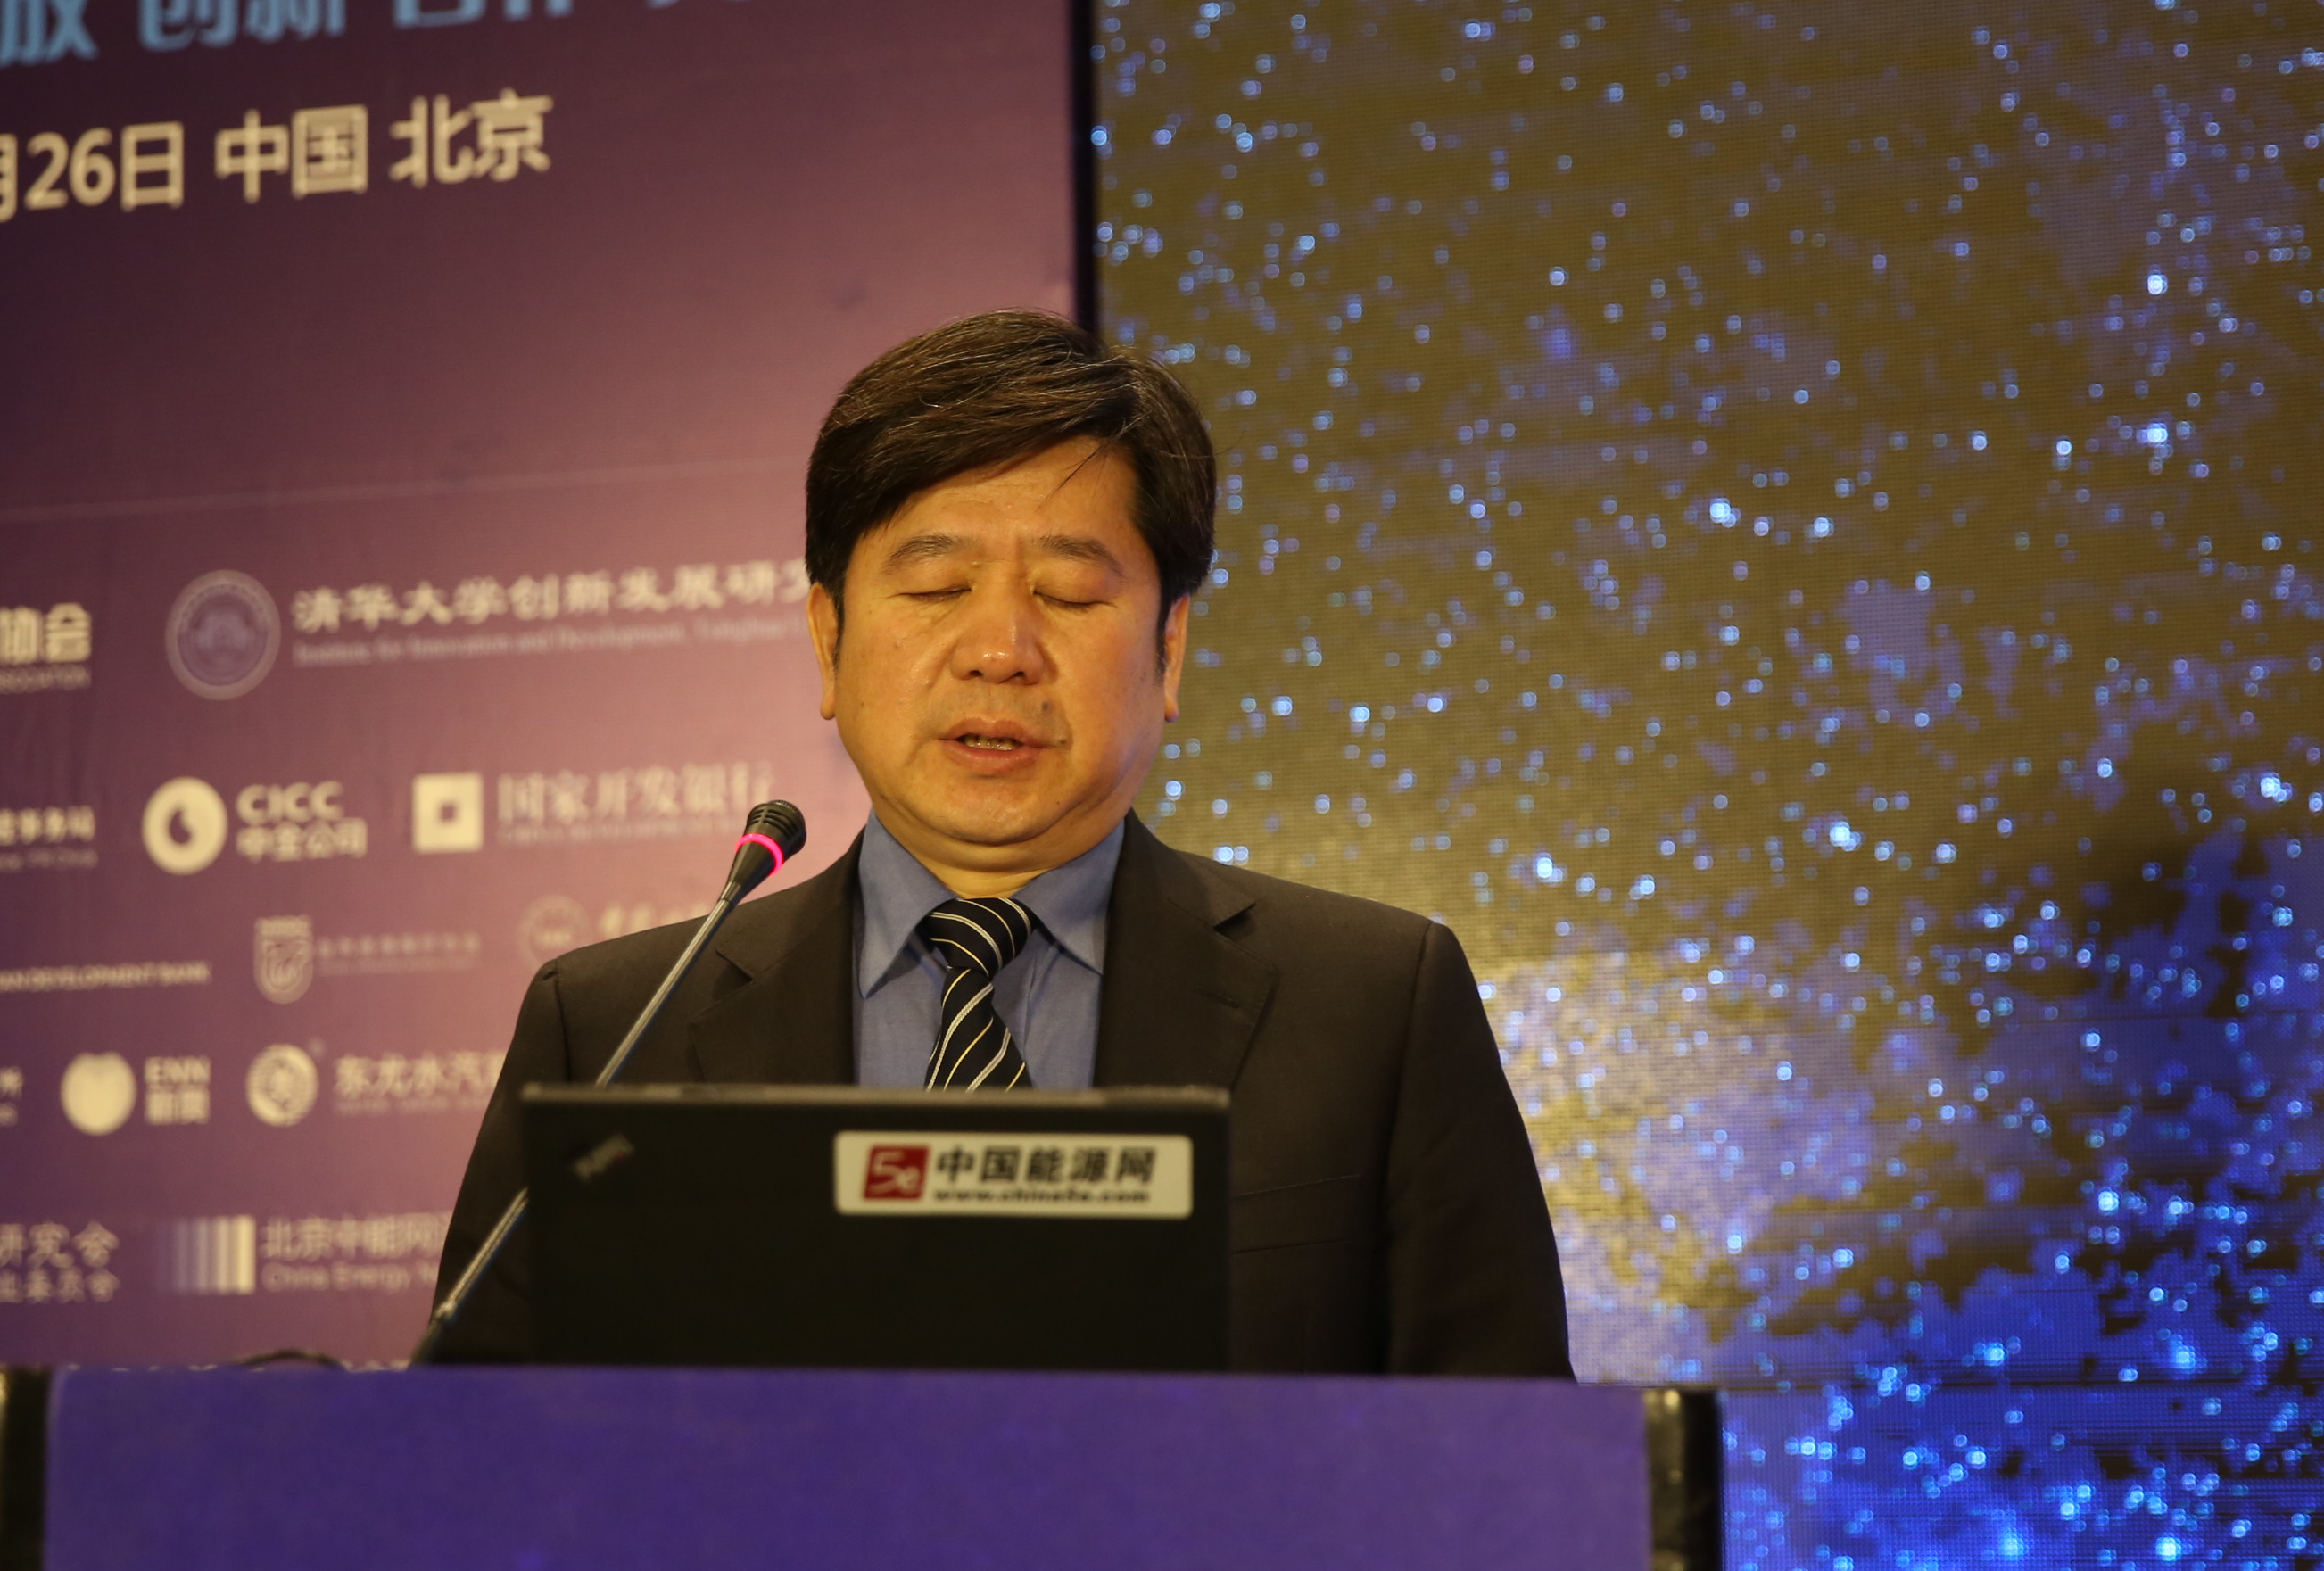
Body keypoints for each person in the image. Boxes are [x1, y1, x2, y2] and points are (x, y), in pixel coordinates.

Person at [430, 311, 1571, 1374]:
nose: (999, 649)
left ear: (1169, 650)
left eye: (1069, 594)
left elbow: (1507, 1467)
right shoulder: (613, 1029)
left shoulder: (1374, 1009)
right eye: (936, 586)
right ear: (828, 640)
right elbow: (471, 1463)